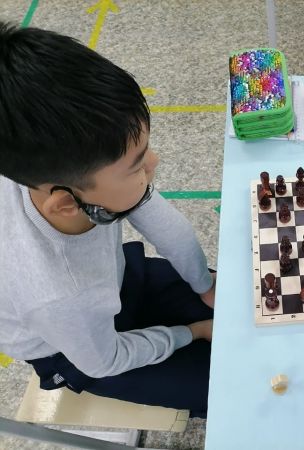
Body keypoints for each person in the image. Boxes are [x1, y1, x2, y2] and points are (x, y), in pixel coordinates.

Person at [0, 22, 215, 418]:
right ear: (66, 204)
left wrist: (204, 285)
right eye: (137, 166)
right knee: (226, 388)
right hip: (78, 350)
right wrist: (191, 333)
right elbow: (106, 360)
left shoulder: (57, 165)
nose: (155, 163)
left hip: (115, 283)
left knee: (243, 303)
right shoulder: (60, 296)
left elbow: (158, 217)